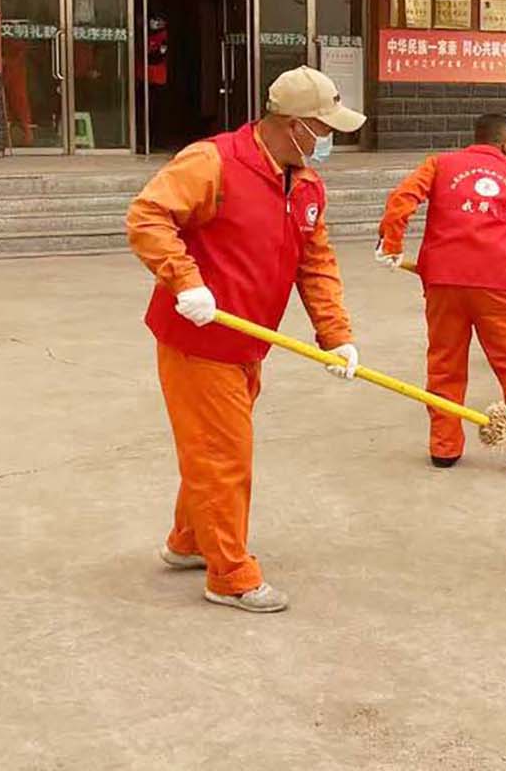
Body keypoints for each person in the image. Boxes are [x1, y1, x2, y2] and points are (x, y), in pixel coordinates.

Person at [125, 66, 365, 614]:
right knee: (224, 454)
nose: (328, 141)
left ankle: (190, 540)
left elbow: (316, 263)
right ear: (290, 123)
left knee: (213, 450)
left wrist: (337, 336)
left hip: (247, 343)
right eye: (322, 129)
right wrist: (187, 282)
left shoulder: (304, 182)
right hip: (199, 339)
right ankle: (230, 574)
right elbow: (147, 216)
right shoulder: (213, 162)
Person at [375, 114, 506, 473]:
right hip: (499, 283)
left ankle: (445, 448)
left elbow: (401, 199)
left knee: (445, 364)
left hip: (442, 281)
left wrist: (392, 244)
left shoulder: (440, 164)